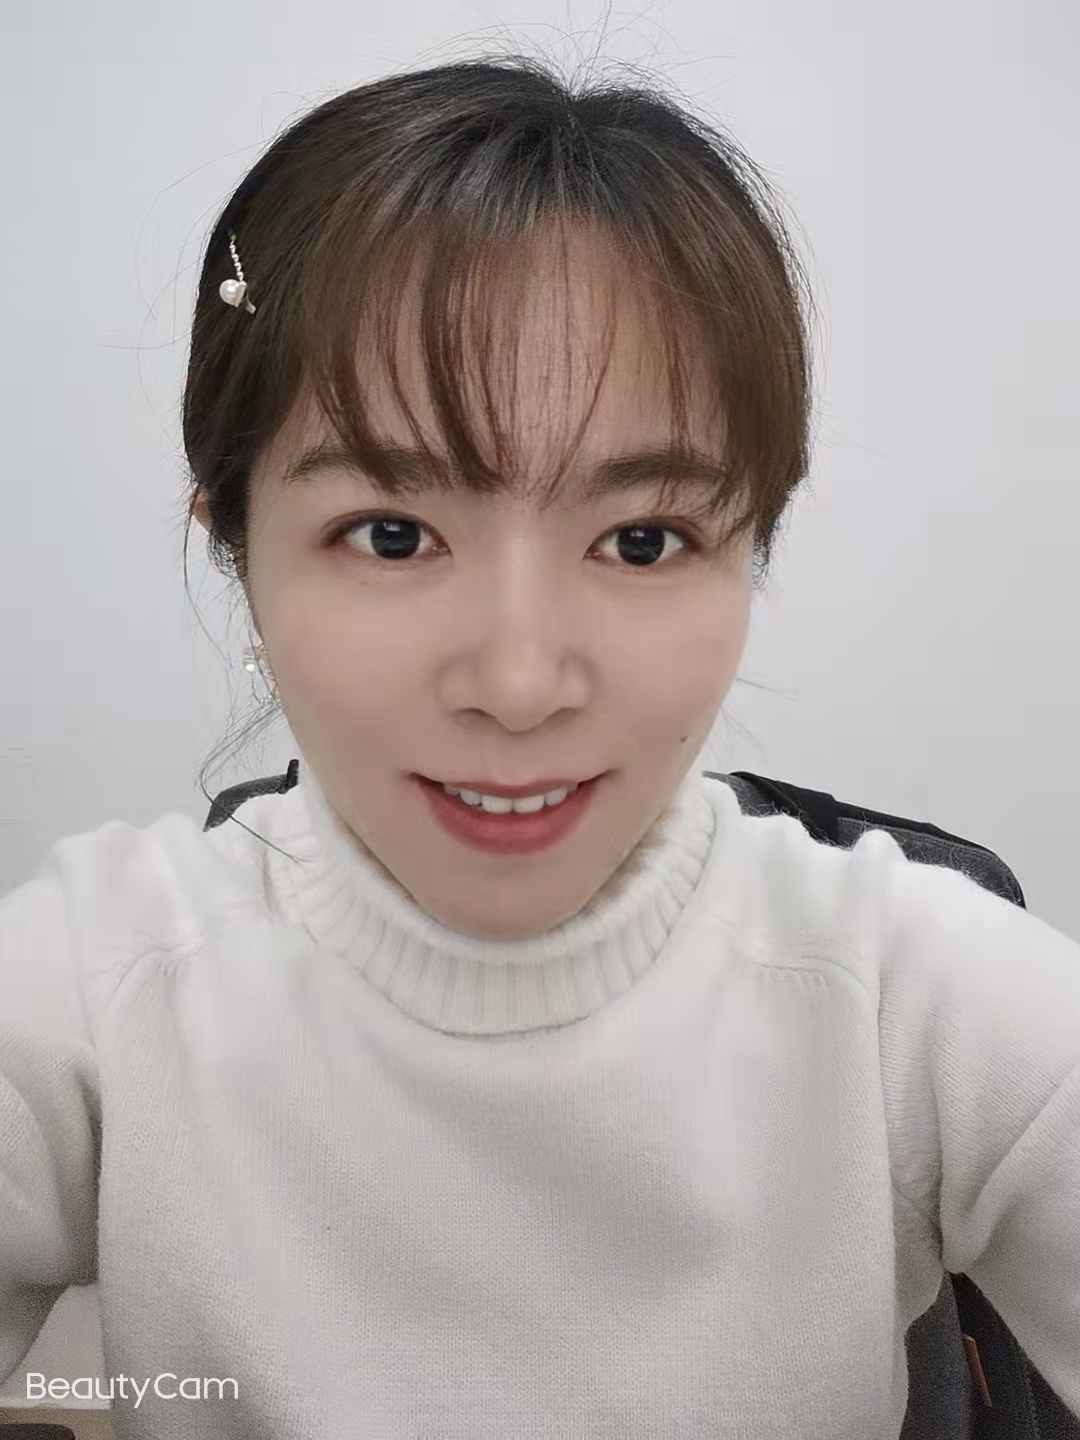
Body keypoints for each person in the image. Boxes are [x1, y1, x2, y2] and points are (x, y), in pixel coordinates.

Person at [2, 54, 1077, 1440]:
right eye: (393, 534)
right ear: (240, 552)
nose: (519, 684)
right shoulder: (93, 994)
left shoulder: (913, 1002)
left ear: (751, 550)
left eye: (643, 540)